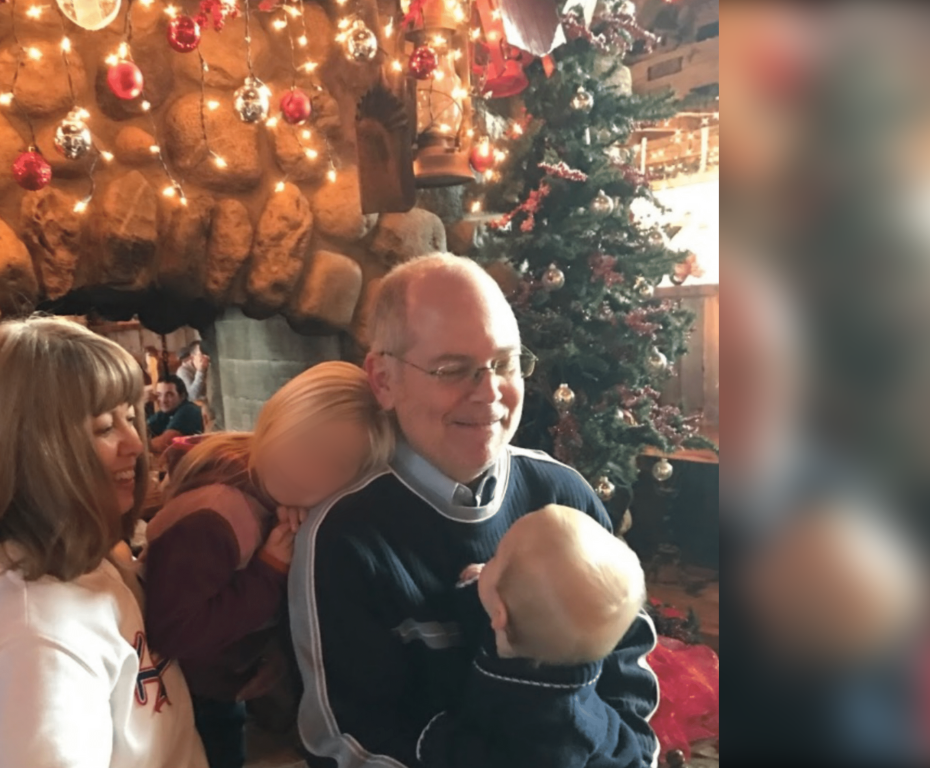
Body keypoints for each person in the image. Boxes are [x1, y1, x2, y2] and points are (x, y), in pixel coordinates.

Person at [289, 253, 660, 768]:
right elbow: (348, 740)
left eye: (505, 364)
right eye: (452, 369)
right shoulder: (343, 537)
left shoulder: (564, 497)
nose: (489, 393)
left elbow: (627, 675)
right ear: (384, 380)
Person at [0, 316, 207, 768]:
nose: (135, 444)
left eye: (130, 417)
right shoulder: (33, 636)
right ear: (26, 450)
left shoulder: (73, 562)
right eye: (104, 427)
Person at [143, 361, 393, 768]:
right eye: (306, 443)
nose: (308, 468)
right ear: (275, 419)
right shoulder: (214, 517)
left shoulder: (273, 498)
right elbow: (175, 633)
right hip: (183, 698)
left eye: (336, 464)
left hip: (221, 683)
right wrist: (270, 569)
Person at [449, 505, 648, 767]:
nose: (486, 560)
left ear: (500, 614)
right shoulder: (558, 643)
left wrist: (435, 740)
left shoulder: (549, 733)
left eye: (496, 557)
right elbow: (490, 610)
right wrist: (484, 581)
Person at [148, 375, 205, 455]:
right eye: (159, 395)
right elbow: (141, 432)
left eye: (169, 395)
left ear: (182, 396)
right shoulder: (164, 414)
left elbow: (163, 444)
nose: (163, 400)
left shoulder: (189, 410)